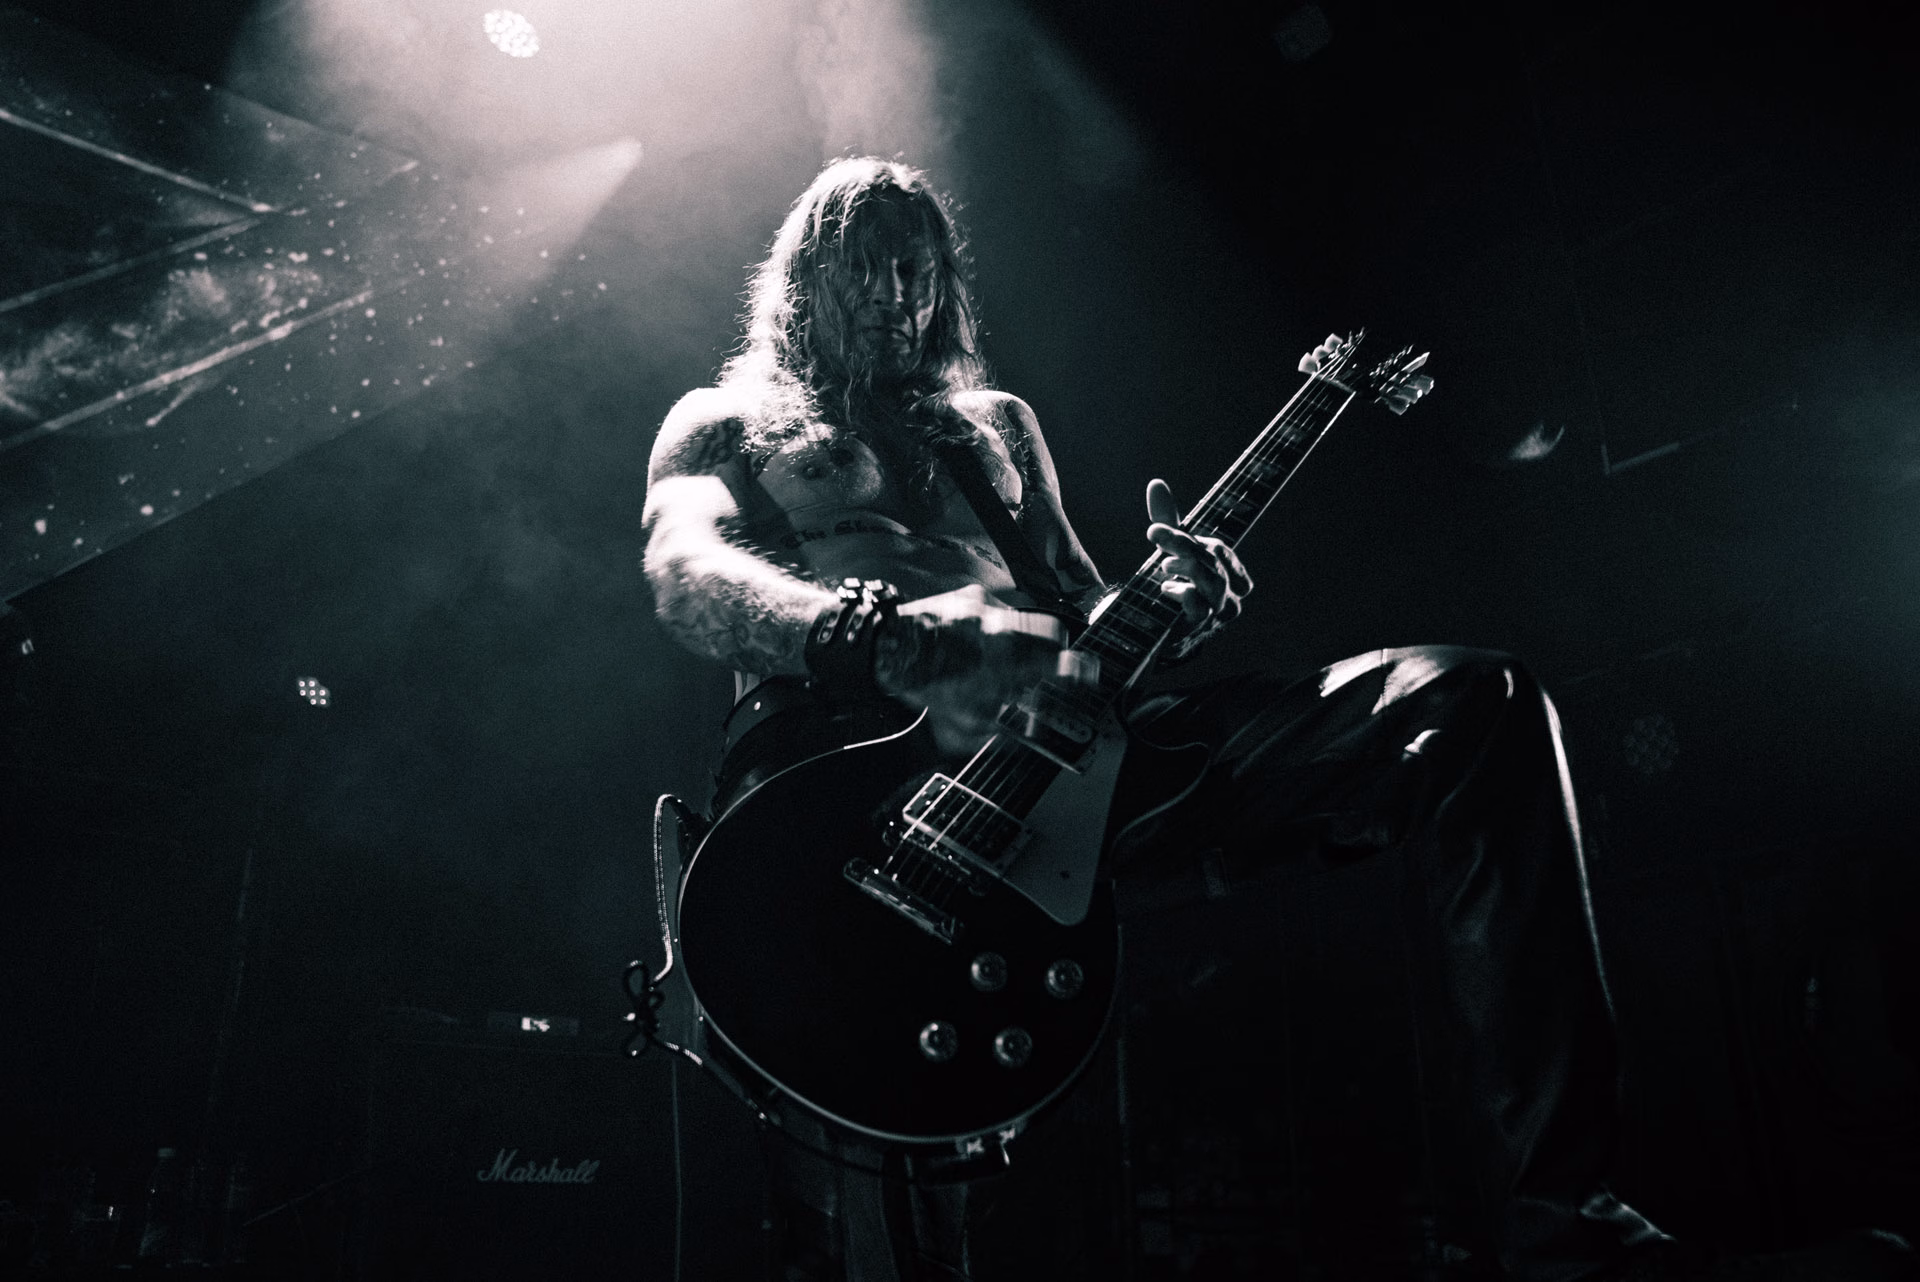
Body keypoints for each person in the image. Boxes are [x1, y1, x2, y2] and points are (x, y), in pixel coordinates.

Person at [641, 157, 1914, 1281]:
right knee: (892, 1184)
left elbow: (1081, 609)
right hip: (848, 787)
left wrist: (1170, 600)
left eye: (921, 270)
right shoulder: (727, 424)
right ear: (806, 276)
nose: (899, 294)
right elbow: (687, 574)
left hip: (1061, 747)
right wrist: (886, 639)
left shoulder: (996, 429)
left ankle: (1573, 1238)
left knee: (1472, 704)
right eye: (870, 263)